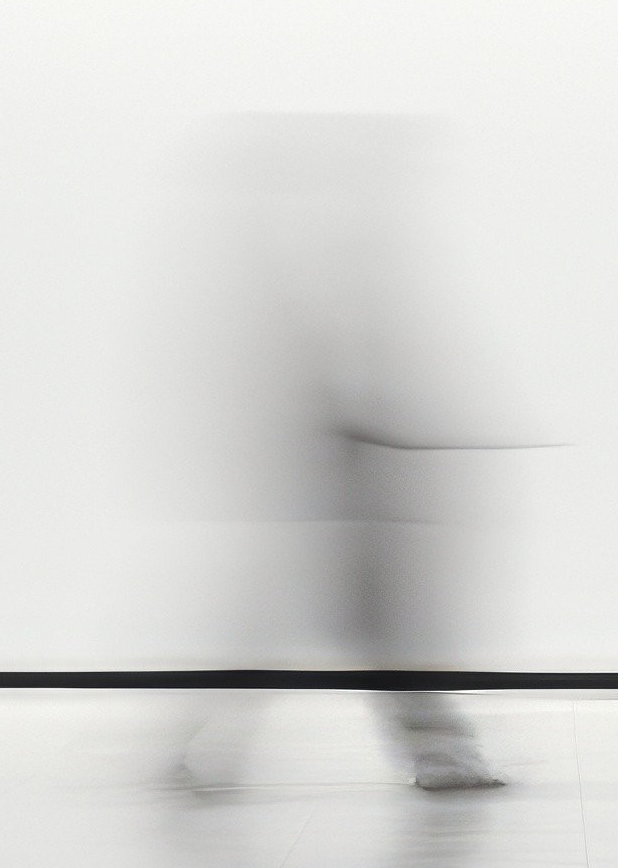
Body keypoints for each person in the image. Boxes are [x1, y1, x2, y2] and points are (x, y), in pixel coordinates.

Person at [167, 118, 514, 796]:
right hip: (340, 513)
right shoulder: (304, 340)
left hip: (337, 510)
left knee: (309, 635)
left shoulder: (306, 336)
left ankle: (191, 749)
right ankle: (441, 754)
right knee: (359, 634)